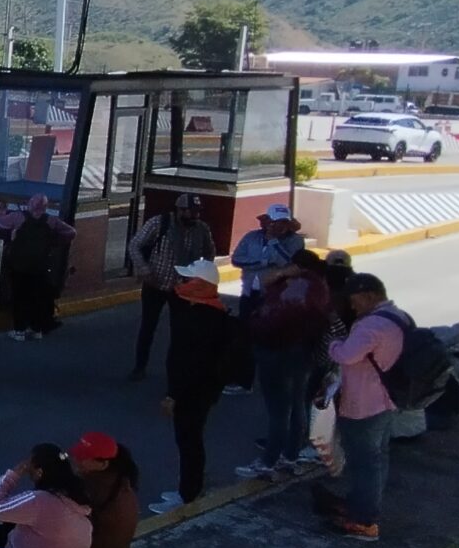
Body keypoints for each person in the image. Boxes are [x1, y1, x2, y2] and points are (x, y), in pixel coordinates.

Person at [316, 272, 404, 541]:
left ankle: (364, 521)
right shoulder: (398, 317)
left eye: (355, 301)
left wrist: (334, 343)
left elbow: (346, 355)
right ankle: (361, 505)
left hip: (363, 404)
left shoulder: (371, 326)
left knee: (364, 464)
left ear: (369, 296)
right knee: (377, 460)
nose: (353, 307)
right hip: (387, 400)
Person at [240, 250, 333, 479]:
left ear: (296, 266)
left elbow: (265, 296)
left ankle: (268, 461)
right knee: (298, 405)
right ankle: (291, 455)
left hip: (277, 351)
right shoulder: (319, 287)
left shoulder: (291, 287)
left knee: (279, 411)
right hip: (304, 352)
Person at [157, 258, 233, 514]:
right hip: (204, 389)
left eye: (187, 279)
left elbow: (188, 363)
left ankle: (187, 493)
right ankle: (190, 487)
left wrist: (173, 395)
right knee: (191, 438)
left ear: (200, 285)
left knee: (188, 440)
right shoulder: (211, 311)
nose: (182, 283)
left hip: (193, 391)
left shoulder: (199, 319)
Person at [127, 193, 218, 380]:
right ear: (180, 210)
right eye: (191, 212)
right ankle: (139, 367)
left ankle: (175, 371)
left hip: (183, 288)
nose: (195, 216)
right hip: (156, 283)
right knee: (148, 327)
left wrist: (201, 273)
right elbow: (135, 245)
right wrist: (144, 269)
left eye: (197, 212)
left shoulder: (201, 229)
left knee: (180, 332)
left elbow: (210, 252)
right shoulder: (159, 224)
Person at [0, 194, 74, 340]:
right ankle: (37, 329)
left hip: (20, 266)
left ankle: (19, 330)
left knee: (20, 297)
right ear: (45, 207)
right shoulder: (51, 220)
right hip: (40, 266)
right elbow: (71, 232)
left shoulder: (18, 217)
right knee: (37, 297)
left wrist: (1, 212)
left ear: (30, 204)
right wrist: (55, 242)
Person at [71, 433, 140, 548]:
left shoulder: (93, 488)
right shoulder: (119, 480)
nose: (76, 460)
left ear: (103, 464)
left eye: (84, 458)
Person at [231, 204, 306, 306]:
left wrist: (273, 241)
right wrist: (263, 262)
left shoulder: (295, 240)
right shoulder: (251, 237)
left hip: (279, 295)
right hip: (249, 292)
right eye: (275, 222)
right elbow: (236, 259)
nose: (279, 226)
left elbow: (288, 263)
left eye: (283, 222)